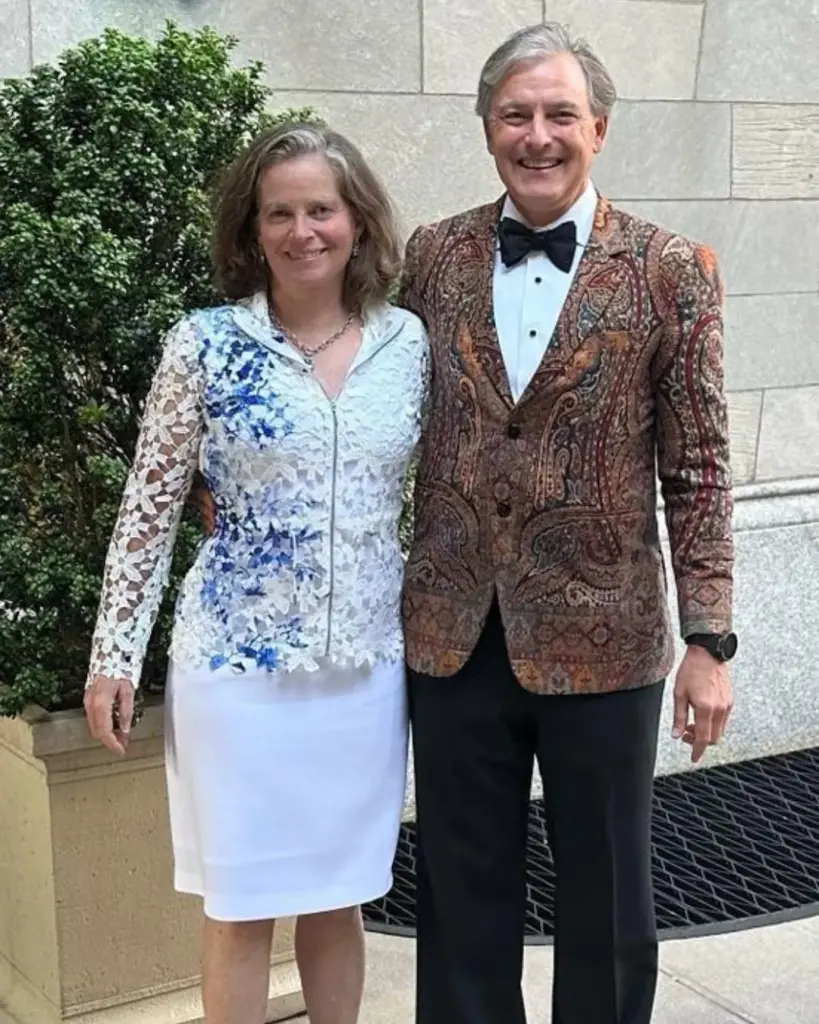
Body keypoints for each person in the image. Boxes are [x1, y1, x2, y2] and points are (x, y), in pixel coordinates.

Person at [397, 22, 736, 1024]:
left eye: (559, 114)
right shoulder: (432, 255)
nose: (536, 135)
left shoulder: (670, 269)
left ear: (599, 128)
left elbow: (699, 467)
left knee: (607, 899)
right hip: (453, 632)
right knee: (459, 894)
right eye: (515, 114)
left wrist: (710, 640)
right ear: (486, 128)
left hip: (607, 638)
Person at [83, 121, 428, 1024]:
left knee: (339, 898)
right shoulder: (202, 345)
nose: (302, 231)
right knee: (239, 906)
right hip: (236, 670)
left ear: (358, 220)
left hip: (363, 669)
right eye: (279, 213)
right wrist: (114, 654)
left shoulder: (408, 345)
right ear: (251, 229)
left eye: (321, 209)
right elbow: (149, 508)